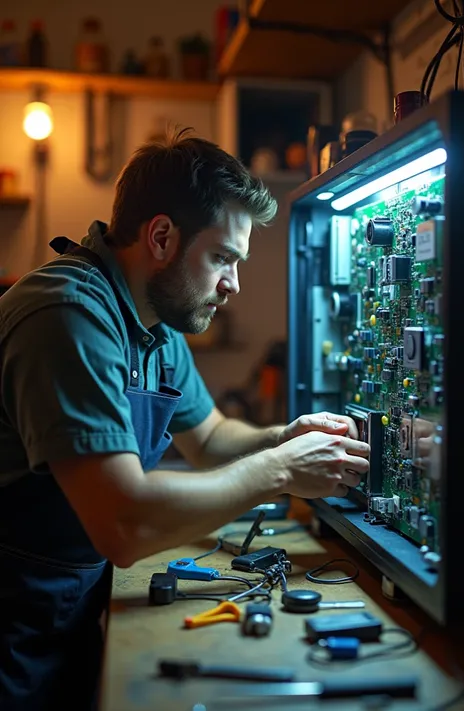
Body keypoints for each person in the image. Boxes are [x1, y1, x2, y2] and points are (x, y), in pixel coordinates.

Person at [0, 127, 370, 710]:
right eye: (223, 257)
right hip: (12, 620)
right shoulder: (67, 315)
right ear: (162, 237)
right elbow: (124, 524)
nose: (234, 285)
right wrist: (279, 470)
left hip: (69, 606)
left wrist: (287, 436)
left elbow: (213, 438)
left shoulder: (156, 322)